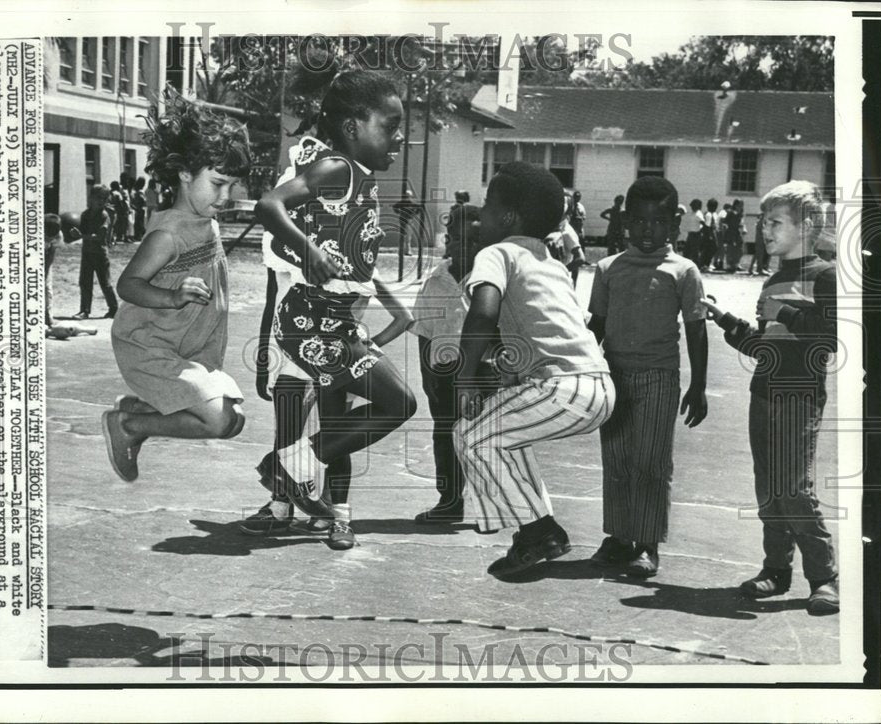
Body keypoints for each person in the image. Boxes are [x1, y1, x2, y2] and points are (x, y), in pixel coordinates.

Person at [254, 67, 416, 550]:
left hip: (336, 326)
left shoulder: (359, 178)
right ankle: (289, 472)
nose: (400, 136)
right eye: (388, 125)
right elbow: (269, 205)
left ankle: (293, 471)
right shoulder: (338, 170)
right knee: (398, 403)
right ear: (352, 128)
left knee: (393, 404)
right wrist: (310, 251)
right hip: (311, 324)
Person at [453, 162, 615, 580]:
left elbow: (482, 315)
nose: (480, 214)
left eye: (488, 205)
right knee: (503, 437)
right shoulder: (551, 261)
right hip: (597, 385)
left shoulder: (496, 253)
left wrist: (467, 377)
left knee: (470, 434)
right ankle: (535, 533)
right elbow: (549, 327)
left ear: (507, 217)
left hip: (563, 387)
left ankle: (539, 531)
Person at [700, 180, 838, 616]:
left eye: (774, 222)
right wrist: (725, 320)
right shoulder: (774, 278)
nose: (764, 230)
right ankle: (776, 571)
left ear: (807, 225)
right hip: (764, 393)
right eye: (763, 222)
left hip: (799, 396)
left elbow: (830, 338)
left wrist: (787, 311)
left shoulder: (825, 275)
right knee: (769, 490)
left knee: (794, 489)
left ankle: (824, 578)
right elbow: (764, 345)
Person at [100, 90, 252, 482]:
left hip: (191, 347)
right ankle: (130, 425)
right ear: (185, 173)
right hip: (150, 345)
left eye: (232, 185)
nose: (226, 196)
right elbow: (128, 284)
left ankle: (139, 410)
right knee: (218, 421)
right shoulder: (168, 235)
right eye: (217, 183)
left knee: (234, 420)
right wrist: (170, 295)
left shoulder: (208, 222)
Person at [587, 176, 708, 578]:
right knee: (617, 460)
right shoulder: (607, 269)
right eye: (637, 222)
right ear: (624, 222)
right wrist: (584, 372)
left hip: (660, 377)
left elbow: (695, 328)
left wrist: (699, 385)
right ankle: (620, 537)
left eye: (656, 223)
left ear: (674, 224)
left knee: (652, 463)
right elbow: (596, 326)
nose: (646, 230)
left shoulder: (684, 271)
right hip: (613, 375)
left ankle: (647, 543)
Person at [409, 204, 498, 523]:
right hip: (443, 373)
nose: (466, 246)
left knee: (484, 438)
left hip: (483, 375)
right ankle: (449, 500)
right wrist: (426, 373)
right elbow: (423, 328)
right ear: (448, 238)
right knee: (445, 434)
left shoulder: (491, 280)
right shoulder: (435, 279)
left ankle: (493, 507)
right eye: (459, 238)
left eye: (476, 240)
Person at [72, 184, 119, 320]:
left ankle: (114, 309)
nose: (101, 201)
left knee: (105, 283)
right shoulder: (85, 215)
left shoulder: (104, 216)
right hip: (87, 252)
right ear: (91, 198)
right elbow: (82, 231)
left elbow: (99, 237)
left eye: (104, 198)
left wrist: (81, 236)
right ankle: (84, 310)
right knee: (85, 282)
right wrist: (74, 233)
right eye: (99, 198)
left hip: (100, 253)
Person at [543, 214, 585, 287]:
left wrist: (562, 270)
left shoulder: (567, 232)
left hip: (559, 277)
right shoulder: (557, 229)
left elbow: (580, 258)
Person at [723, 199, 746, 272]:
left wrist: (744, 229)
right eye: (739, 205)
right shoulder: (730, 212)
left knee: (740, 249)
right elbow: (725, 222)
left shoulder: (740, 214)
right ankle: (729, 265)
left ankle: (736, 264)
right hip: (731, 232)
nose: (741, 206)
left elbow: (742, 223)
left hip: (737, 232)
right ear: (735, 205)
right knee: (730, 249)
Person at [700, 198, 720, 271]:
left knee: (712, 249)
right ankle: (705, 264)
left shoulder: (713, 214)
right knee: (710, 249)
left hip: (712, 232)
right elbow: (707, 226)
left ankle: (706, 264)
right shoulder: (708, 214)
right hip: (709, 234)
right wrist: (710, 236)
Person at [132, 176, 148, 241]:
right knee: (140, 222)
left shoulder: (135, 190)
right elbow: (143, 200)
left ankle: (137, 235)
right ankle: (138, 235)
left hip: (137, 208)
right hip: (140, 208)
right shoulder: (140, 191)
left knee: (138, 222)